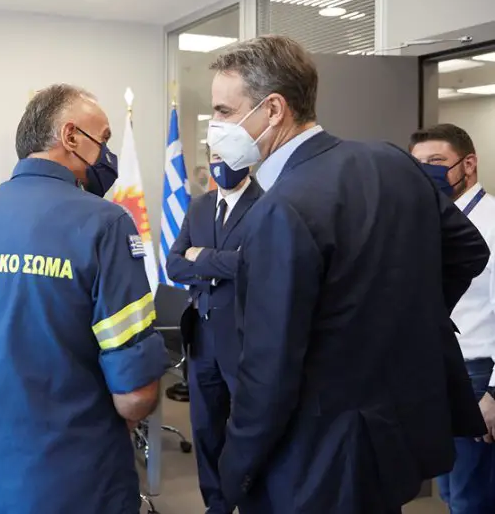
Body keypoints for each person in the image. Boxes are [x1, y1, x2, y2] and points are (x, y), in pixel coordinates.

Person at [204, 35, 490, 514]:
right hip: (392, 434)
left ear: (273, 110)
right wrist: (399, 323)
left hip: (316, 459)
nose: (214, 127)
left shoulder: (281, 210)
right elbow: (467, 250)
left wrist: (234, 471)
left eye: (224, 111)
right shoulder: (391, 160)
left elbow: (268, 372)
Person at [0, 83, 170, 514]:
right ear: (71, 136)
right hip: (79, 483)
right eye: (103, 139)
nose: (107, 154)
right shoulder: (106, 226)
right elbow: (136, 395)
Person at [166, 146, 263, 514]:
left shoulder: (266, 205)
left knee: (249, 428)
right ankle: (217, 504)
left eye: (228, 157)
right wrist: (220, 266)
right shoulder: (199, 206)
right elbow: (174, 265)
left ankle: (252, 501)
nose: (220, 165)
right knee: (206, 428)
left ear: (248, 159)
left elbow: (255, 264)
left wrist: (202, 257)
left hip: (244, 339)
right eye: (215, 157)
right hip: (202, 337)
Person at [411, 123, 495, 512]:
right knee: (449, 492)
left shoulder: (491, 221)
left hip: (478, 375)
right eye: (418, 164)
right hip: (437, 371)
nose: (425, 172)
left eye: (436, 161)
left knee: (471, 498)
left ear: (469, 164)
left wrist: (494, 392)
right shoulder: (427, 221)